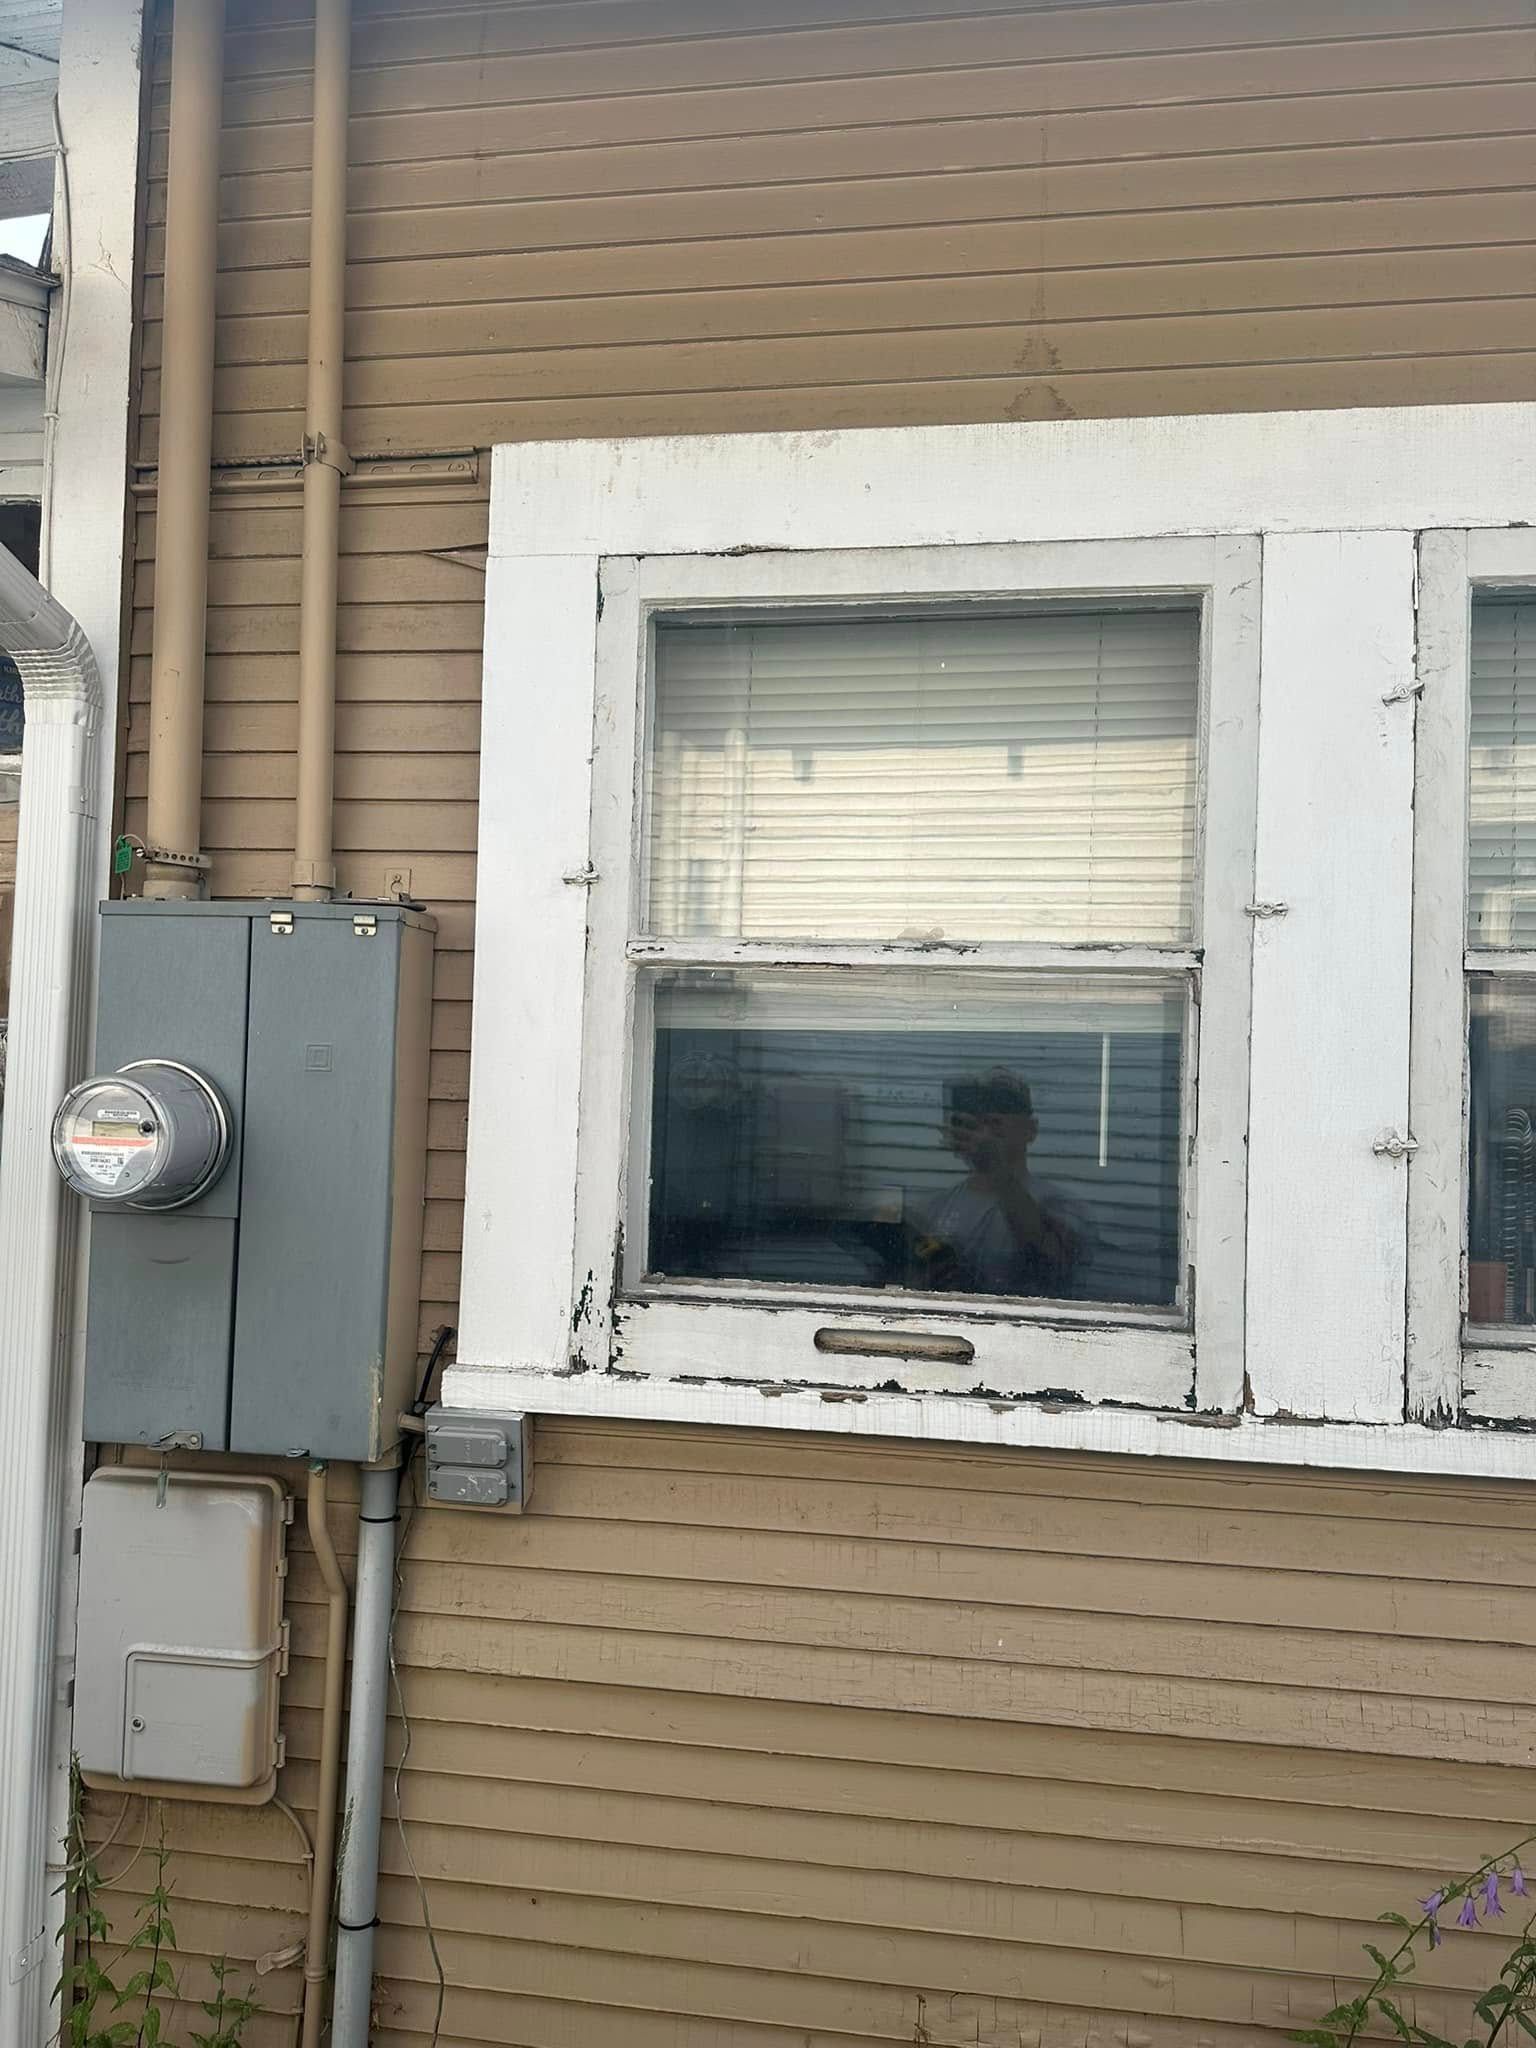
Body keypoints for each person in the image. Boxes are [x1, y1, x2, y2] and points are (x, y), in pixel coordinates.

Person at [910, 1069, 1082, 1298]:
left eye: (995, 1121)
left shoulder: (1061, 1206)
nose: (984, 1131)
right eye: (974, 1120)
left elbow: (1055, 1267)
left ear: (1031, 1129)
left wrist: (995, 1167)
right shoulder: (930, 1208)